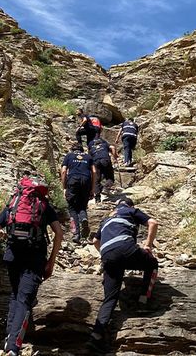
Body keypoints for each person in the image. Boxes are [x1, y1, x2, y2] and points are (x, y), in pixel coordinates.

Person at [0, 176, 64, 356]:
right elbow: (59, 233)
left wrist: (5, 237)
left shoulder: (13, 205)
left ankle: (9, 339)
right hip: (35, 258)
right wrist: (51, 262)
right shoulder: (44, 206)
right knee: (24, 300)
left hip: (12, 256)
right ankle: (14, 347)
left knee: (15, 295)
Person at [89, 198, 159, 353]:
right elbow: (153, 223)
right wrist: (147, 245)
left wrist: (107, 254)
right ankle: (143, 301)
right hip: (126, 247)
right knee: (152, 264)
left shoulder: (107, 218)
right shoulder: (130, 211)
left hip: (107, 254)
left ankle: (96, 336)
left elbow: (95, 241)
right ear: (130, 205)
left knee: (110, 298)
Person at [61, 143, 97, 244]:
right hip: (86, 181)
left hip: (73, 180)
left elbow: (64, 171)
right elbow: (94, 171)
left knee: (72, 207)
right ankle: (84, 218)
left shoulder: (69, 156)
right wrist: (93, 188)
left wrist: (64, 187)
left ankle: (76, 233)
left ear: (73, 150)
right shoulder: (88, 157)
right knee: (82, 206)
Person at [88, 136, 118, 203]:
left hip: (95, 162)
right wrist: (115, 157)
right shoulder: (104, 144)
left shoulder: (91, 146)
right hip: (105, 159)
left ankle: (97, 198)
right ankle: (106, 188)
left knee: (96, 180)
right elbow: (112, 147)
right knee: (110, 177)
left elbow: (89, 157)